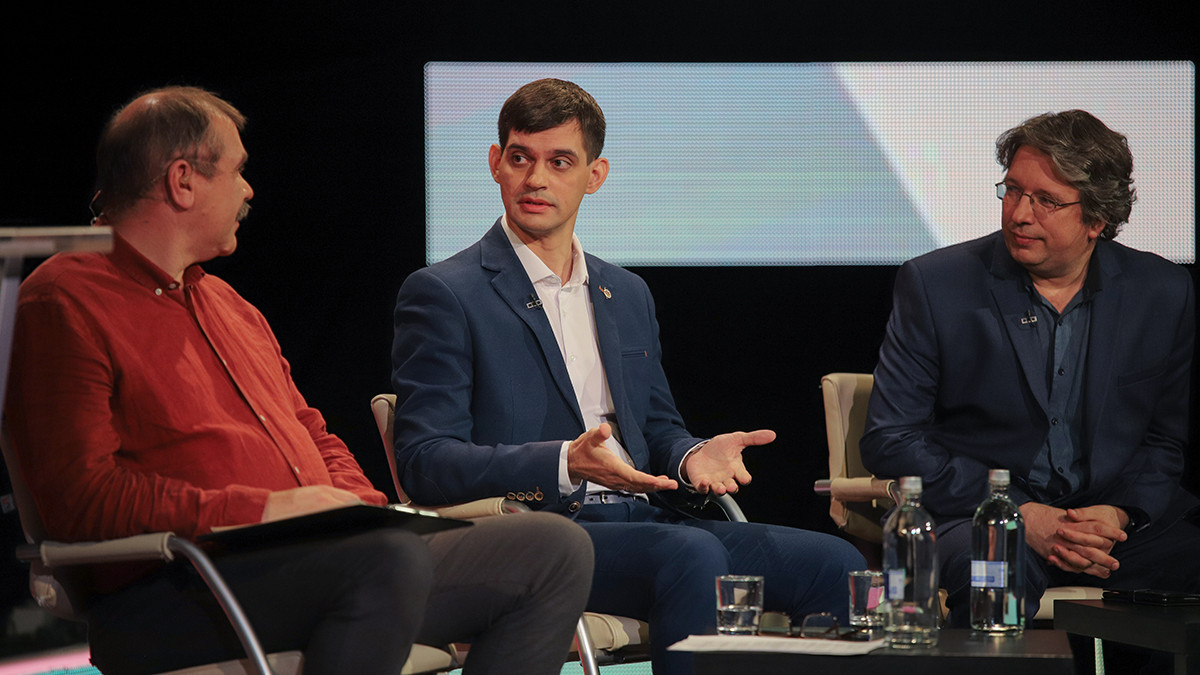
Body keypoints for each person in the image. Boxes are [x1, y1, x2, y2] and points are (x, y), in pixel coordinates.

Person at [4, 85, 593, 675]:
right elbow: (81, 499)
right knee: (385, 562)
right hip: (177, 587)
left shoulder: (229, 305)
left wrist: (363, 508)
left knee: (553, 550)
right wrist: (264, 510)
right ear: (182, 181)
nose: (247, 190)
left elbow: (314, 435)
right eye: (237, 171)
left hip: (329, 562)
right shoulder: (65, 297)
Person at [391, 78, 864, 675]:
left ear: (595, 175)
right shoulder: (445, 293)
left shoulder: (627, 292)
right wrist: (564, 462)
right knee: (690, 554)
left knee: (838, 565)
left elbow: (657, 429)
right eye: (520, 158)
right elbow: (426, 461)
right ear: (495, 163)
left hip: (649, 520)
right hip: (539, 534)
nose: (536, 179)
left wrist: (690, 457)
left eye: (560, 162)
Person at [860, 109, 1200, 628]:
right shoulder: (937, 285)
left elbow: (1163, 440)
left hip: (1105, 524)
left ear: (1097, 218)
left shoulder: (1162, 292)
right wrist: (1017, 510)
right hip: (978, 516)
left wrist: (1119, 515)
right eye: (1013, 191)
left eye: (1046, 200)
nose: (1020, 214)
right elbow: (891, 439)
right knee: (995, 575)